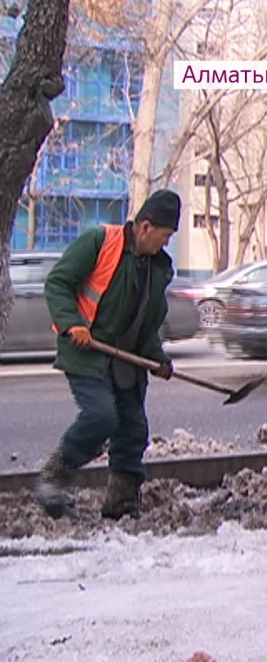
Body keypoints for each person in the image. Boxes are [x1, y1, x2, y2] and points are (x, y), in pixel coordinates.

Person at [35, 189, 181, 520]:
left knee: (133, 429)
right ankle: (52, 479)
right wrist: (73, 324)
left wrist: (158, 359)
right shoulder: (100, 241)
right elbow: (57, 283)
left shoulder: (155, 269)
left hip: (126, 361)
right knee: (101, 417)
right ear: (145, 227)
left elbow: (147, 324)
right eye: (165, 235)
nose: (166, 243)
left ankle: (121, 503)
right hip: (87, 351)